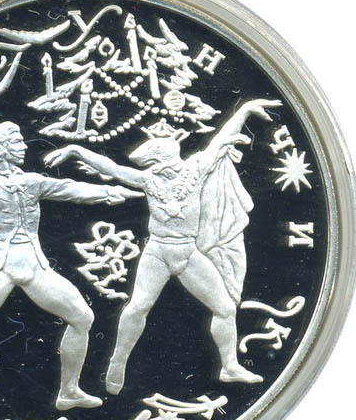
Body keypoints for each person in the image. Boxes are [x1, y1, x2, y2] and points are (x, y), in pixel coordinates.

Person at [45, 99, 281, 394]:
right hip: (157, 252)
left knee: (224, 308)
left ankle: (229, 366)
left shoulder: (196, 169)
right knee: (138, 306)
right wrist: (76, 150)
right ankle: (118, 360)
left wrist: (243, 111)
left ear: (166, 158)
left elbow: (221, 138)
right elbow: (113, 169)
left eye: (155, 161)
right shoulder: (148, 180)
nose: (152, 168)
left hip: (188, 253)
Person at [0, 84, 143, 415]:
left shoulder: (31, 182)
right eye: (17, 141)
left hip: (34, 266)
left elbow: (72, 189)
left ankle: (69, 392)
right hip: (2, 267)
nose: (24, 146)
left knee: (82, 317)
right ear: (1, 148)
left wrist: (117, 193)